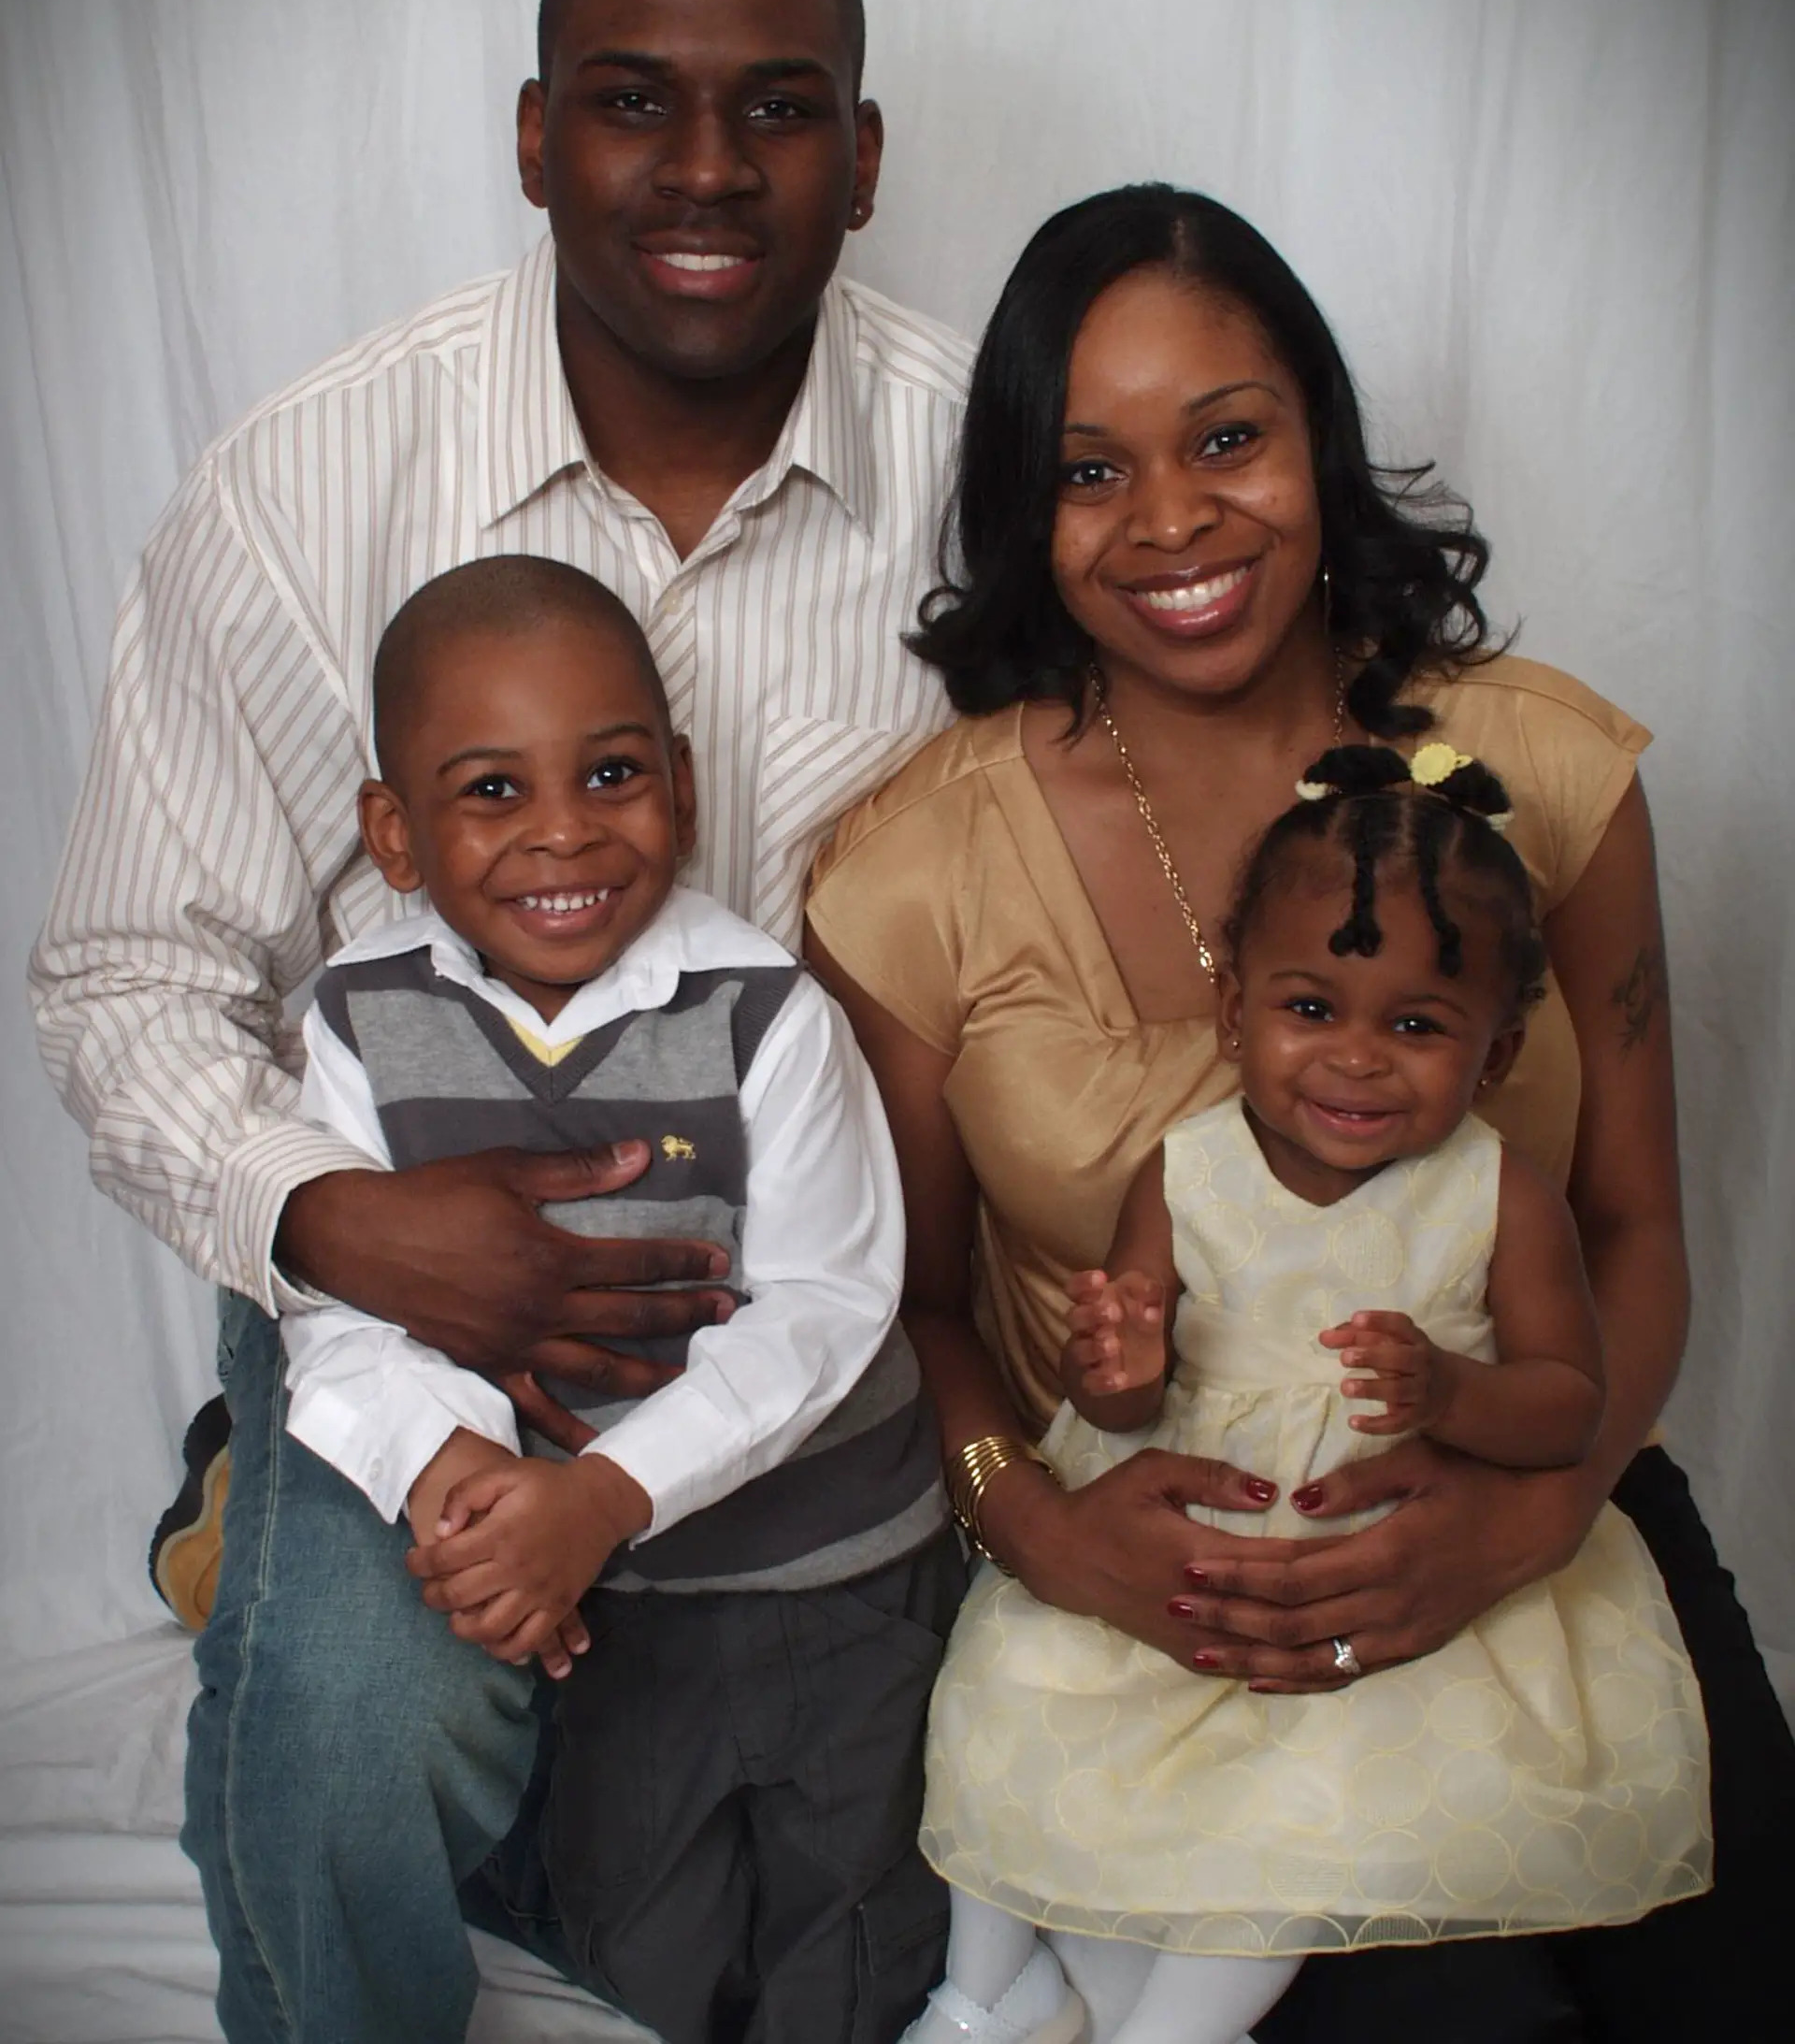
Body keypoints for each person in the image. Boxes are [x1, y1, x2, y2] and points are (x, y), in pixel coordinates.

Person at [31, 0, 970, 2043]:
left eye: (782, 106)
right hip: (405, 1277)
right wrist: (343, 1228)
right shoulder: (308, 478)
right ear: (534, 132)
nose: (710, 171)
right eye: (635, 102)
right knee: (362, 1711)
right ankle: (274, 1525)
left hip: (794, 1296)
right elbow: (123, 974)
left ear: (865, 151)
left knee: (828, 1836)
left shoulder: (987, 465)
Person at [805, 183, 1795, 2041]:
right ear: (1027, 506)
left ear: (1321, 443)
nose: (1171, 517)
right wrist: (1042, 1528)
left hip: (1540, 1485)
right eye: (1092, 468)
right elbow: (914, 1303)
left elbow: (1643, 1224)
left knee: (1737, 1974)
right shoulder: (916, 866)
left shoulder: (1549, 770)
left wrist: (1533, 1516)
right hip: (1163, 1582)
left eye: (1230, 436)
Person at [900, 745, 1708, 2044]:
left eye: (1417, 1025)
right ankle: (989, 1991)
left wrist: (1448, 1391)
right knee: (1019, 1725)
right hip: (1178, 1567)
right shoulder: (1185, 1172)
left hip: (1376, 1599)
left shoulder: (1498, 1197)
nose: (1357, 1061)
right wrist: (1117, 1369)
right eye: (1312, 1008)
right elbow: (1119, 1408)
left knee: (1296, 1829)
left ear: (1495, 1053)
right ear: (1235, 1016)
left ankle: (1173, 2032)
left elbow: (1564, 1403)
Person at [282, 555, 956, 2042]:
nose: (566, 831)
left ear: (684, 783)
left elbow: (828, 1310)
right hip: (607, 1607)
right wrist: (447, 1468)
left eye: (610, 773)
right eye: (491, 793)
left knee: (851, 1956)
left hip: (825, 1570)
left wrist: (604, 1492)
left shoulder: (766, 1010)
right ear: (394, 834)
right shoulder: (353, 1021)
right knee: (647, 1967)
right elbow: (342, 1304)